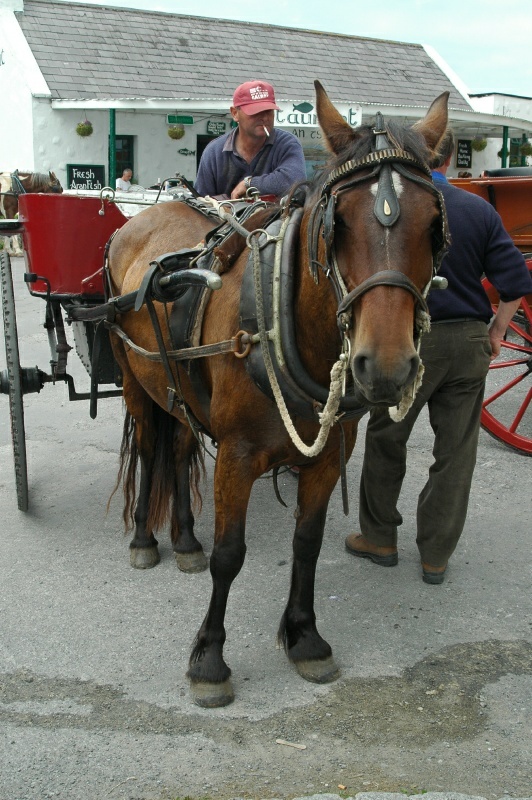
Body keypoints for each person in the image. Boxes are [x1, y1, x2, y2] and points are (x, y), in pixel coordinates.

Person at [344, 128, 532, 585]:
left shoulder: (394, 208)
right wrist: (498, 330)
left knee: (388, 438)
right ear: (447, 160)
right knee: (456, 452)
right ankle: (435, 555)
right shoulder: (477, 209)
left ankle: (380, 537)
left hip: (410, 339)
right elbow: (516, 282)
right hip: (468, 342)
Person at [194, 80, 307, 200]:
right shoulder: (214, 152)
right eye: (256, 112)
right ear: (235, 113)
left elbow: (296, 182)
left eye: (268, 111)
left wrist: (249, 184)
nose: (264, 117)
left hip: (277, 217)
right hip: (223, 218)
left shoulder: (287, 144)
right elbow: (201, 202)